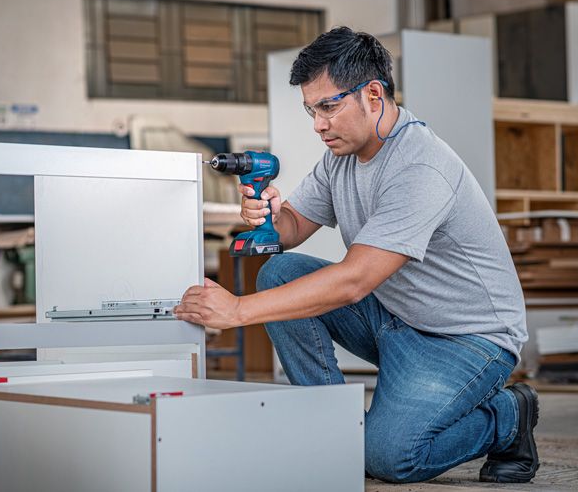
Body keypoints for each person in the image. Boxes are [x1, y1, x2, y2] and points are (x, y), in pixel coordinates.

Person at [174, 27, 539, 484]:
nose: (318, 125)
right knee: (280, 271)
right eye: (311, 110)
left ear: (372, 94)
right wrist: (267, 213)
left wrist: (237, 311)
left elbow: (354, 281)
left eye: (329, 106)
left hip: (466, 339)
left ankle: (508, 415)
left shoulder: (420, 167)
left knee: (390, 459)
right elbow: (289, 232)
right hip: (397, 317)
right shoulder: (339, 158)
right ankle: (330, 430)